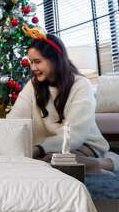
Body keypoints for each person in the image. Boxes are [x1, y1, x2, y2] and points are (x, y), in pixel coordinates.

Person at [7, 28, 119, 173]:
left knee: (54, 163)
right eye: (31, 62)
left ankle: (106, 163)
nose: (33, 67)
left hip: (82, 143)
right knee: (39, 164)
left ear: (54, 59)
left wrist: (39, 149)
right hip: (47, 147)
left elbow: (74, 135)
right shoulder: (33, 85)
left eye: (38, 62)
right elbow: (15, 118)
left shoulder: (80, 85)